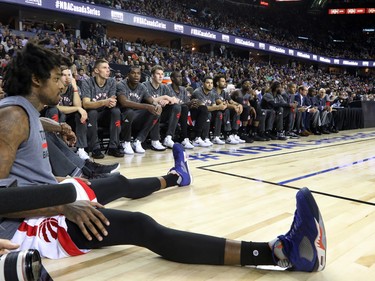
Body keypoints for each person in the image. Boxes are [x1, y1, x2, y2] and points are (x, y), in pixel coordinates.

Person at [0, 43, 326, 273]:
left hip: (47, 205)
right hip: (23, 228)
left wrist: (54, 130)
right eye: (58, 77)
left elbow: (22, 165)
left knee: (116, 184)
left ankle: (175, 178)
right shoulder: (12, 117)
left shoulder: (23, 110)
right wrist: (63, 203)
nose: (64, 83)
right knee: (142, 226)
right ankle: (278, 252)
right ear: (36, 80)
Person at [81, 58, 124, 158]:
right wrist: (104, 102)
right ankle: (95, 148)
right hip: (92, 116)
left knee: (116, 111)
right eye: (104, 68)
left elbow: (112, 100)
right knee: (92, 112)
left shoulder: (112, 82)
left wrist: (111, 103)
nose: (108, 70)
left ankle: (113, 147)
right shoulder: (87, 82)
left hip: (105, 115)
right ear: (96, 70)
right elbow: (86, 104)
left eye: (108, 68)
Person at [116, 65, 162, 154]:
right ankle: (126, 142)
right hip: (122, 116)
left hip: (136, 116)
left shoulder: (142, 86)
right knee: (129, 111)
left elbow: (151, 100)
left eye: (138, 73)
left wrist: (157, 105)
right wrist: (147, 106)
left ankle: (138, 141)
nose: (136, 75)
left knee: (155, 111)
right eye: (133, 73)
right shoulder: (121, 84)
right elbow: (124, 103)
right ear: (128, 75)